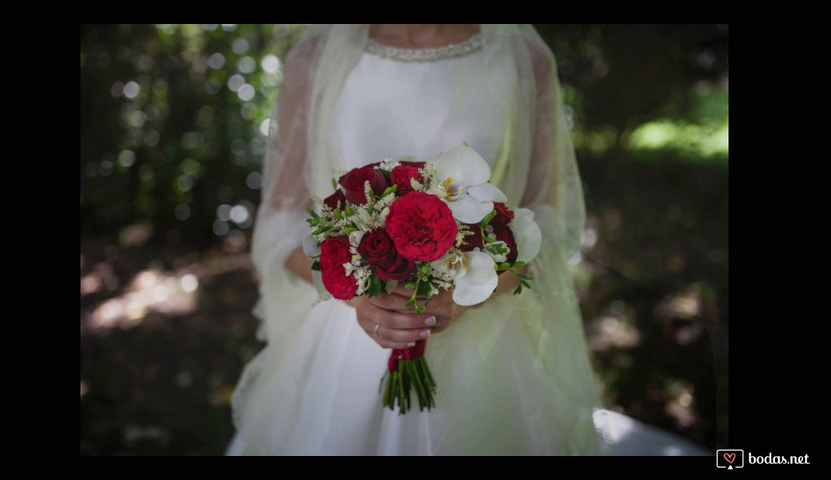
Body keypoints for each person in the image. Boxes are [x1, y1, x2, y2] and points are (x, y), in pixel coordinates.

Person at [228, 24, 609, 455]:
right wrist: (356, 294)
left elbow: (548, 220)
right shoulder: (316, 57)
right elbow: (280, 223)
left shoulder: (522, 57)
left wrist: (474, 292)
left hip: (486, 340)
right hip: (349, 338)